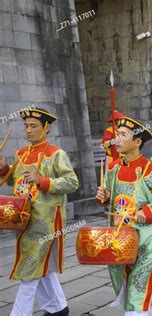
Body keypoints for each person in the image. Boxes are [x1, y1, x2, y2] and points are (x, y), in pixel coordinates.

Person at [96, 116, 152, 316]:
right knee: (134, 289)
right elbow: (112, 197)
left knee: (138, 291)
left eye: (123, 136)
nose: (117, 139)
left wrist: (148, 212)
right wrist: (105, 196)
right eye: (117, 135)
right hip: (120, 240)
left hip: (147, 242)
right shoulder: (113, 169)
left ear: (137, 142)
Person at [0, 108, 79, 316]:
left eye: (33, 126)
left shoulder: (56, 154)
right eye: (26, 126)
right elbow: (13, 180)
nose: (28, 130)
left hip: (46, 220)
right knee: (38, 264)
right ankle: (58, 308)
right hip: (23, 218)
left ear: (46, 127)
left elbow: (72, 182)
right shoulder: (21, 153)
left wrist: (42, 181)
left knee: (29, 267)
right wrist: (3, 168)